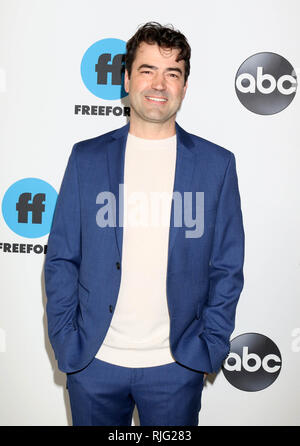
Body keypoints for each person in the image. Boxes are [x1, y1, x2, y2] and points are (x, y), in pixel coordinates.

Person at [44, 22, 245, 426]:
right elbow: (62, 258)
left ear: (185, 87)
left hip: (176, 367)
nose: (159, 83)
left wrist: (208, 347)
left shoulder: (216, 165)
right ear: (126, 79)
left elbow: (227, 267)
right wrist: (68, 342)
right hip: (94, 364)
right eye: (148, 70)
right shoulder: (86, 159)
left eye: (173, 73)